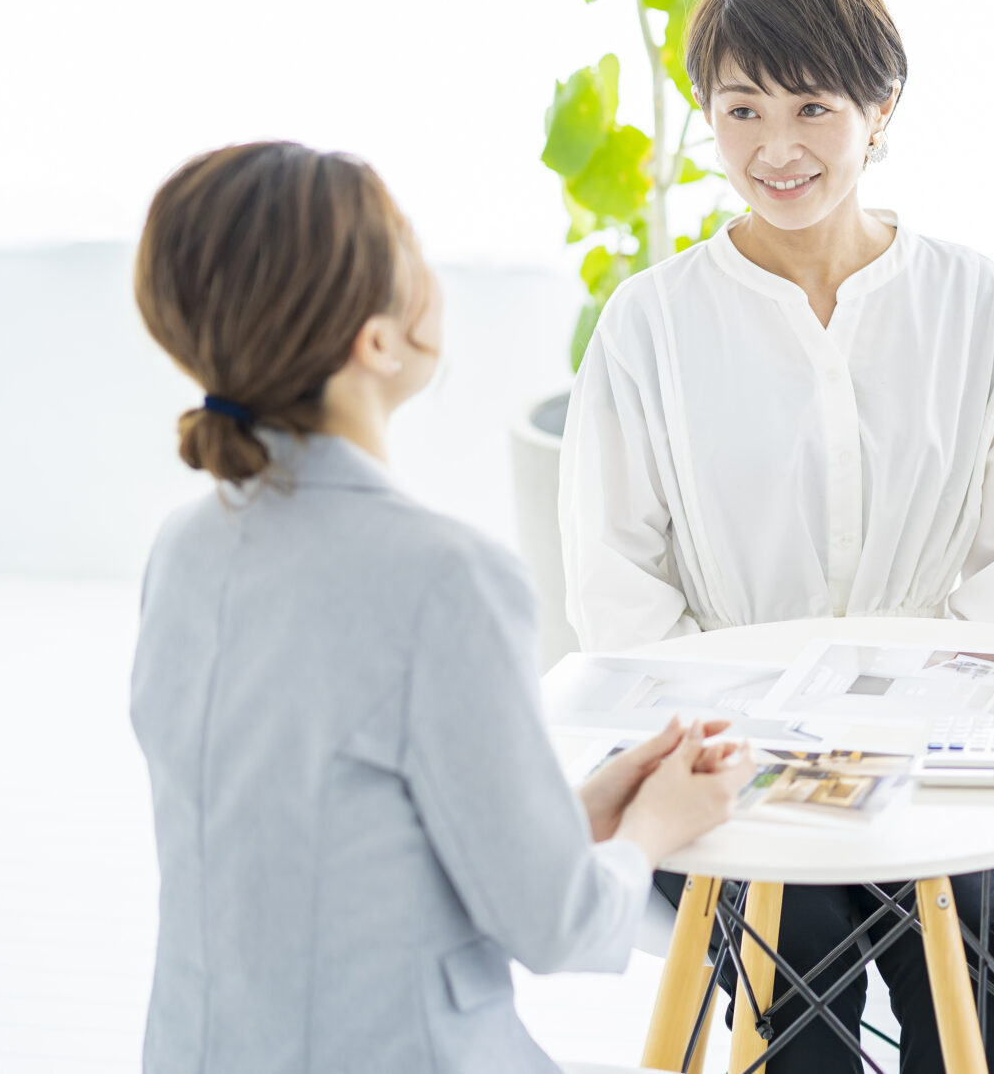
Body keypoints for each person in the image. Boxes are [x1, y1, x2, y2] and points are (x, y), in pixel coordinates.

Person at [130, 142, 752, 1074]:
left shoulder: (185, 548)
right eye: (410, 250)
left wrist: (578, 809)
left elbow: (344, 841)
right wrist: (658, 825)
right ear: (375, 341)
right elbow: (560, 928)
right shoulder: (446, 578)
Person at [558, 0, 994, 1073]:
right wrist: (746, 742)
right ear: (706, 115)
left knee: (969, 982)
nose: (773, 148)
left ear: (879, 111)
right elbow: (617, 588)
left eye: (811, 107)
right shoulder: (649, 327)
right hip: (727, 759)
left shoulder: (972, 305)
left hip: (924, 750)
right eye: (740, 109)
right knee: (809, 977)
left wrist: (930, 742)